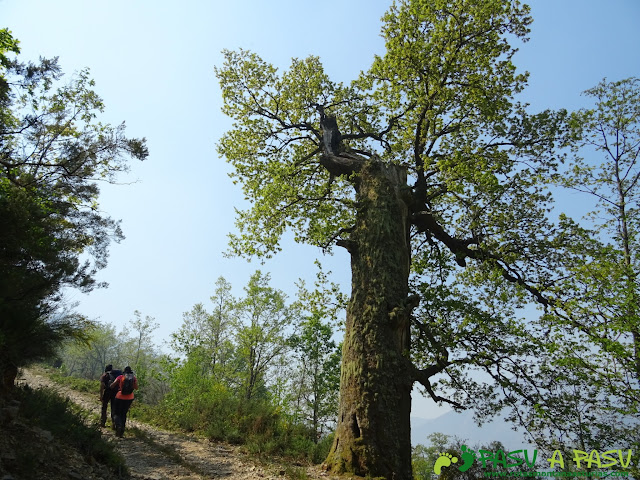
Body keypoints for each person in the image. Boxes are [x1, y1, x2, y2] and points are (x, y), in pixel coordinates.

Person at [110, 366, 138, 437]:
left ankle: (118, 426)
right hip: (130, 397)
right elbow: (136, 388)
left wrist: (111, 385)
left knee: (116, 413)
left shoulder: (120, 377)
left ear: (124, 371)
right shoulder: (133, 378)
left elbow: (112, 385)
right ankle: (122, 431)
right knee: (123, 413)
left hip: (119, 396)